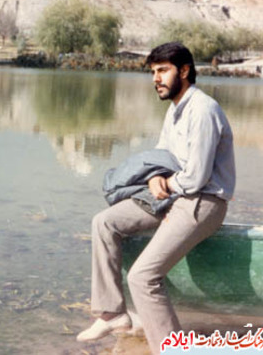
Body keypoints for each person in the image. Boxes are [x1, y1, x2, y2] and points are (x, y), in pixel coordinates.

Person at [77, 41, 235, 354]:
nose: (156, 79)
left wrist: (167, 183)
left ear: (185, 71)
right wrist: (153, 177)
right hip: (174, 196)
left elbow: (197, 177)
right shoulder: (175, 110)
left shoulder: (203, 110)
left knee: (142, 277)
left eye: (163, 70)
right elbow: (162, 156)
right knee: (104, 222)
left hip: (203, 202)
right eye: (153, 72)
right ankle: (112, 314)